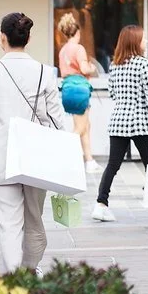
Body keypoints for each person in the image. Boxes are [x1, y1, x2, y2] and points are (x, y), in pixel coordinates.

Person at [0, 12, 66, 274]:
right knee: (35, 224)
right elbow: (57, 121)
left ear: (2, 37)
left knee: (9, 228)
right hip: (35, 159)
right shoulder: (44, 73)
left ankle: (16, 283)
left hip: (1, 160)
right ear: (28, 38)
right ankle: (28, 272)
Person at [94, 25, 148, 223]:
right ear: (135, 42)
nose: (145, 42)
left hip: (118, 121)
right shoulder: (144, 65)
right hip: (141, 122)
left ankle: (101, 204)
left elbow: (112, 93)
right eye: (143, 39)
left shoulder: (115, 65)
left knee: (113, 165)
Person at [57, 13, 102, 174]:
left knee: (85, 125)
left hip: (67, 88)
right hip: (80, 88)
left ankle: (89, 161)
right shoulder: (79, 48)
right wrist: (93, 68)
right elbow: (84, 69)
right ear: (77, 32)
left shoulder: (63, 50)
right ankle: (61, 157)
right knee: (80, 127)